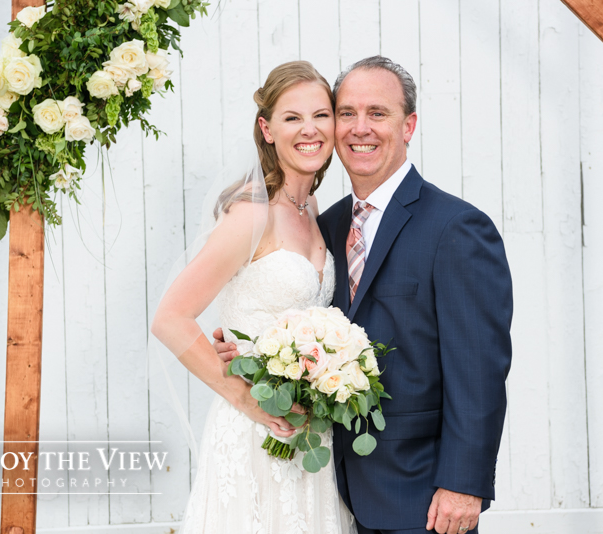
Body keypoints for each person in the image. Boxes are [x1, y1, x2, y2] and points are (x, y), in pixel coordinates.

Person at [216, 56, 513, 534]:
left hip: (422, 496)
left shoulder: (457, 228)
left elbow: (479, 370)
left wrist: (463, 484)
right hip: (329, 486)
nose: (360, 128)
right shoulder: (326, 225)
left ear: (408, 125)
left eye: (378, 113)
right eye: (346, 113)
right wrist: (247, 355)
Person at [150, 61, 356, 533]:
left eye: (321, 115)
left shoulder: (312, 209)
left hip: (309, 435)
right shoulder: (251, 212)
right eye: (292, 117)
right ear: (267, 129)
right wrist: (248, 402)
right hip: (256, 433)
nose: (310, 129)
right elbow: (170, 318)